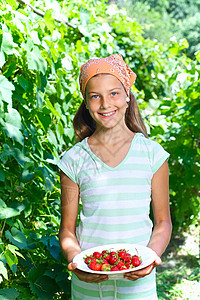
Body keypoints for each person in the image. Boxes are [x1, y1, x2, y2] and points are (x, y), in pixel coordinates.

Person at [57, 54, 172, 300]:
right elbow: (67, 230)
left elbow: (163, 223)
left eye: (114, 93)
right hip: (89, 287)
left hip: (138, 288)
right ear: (86, 104)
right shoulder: (73, 160)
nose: (105, 104)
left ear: (127, 96)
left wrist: (151, 256)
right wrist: (76, 261)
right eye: (95, 96)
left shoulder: (153, 156)